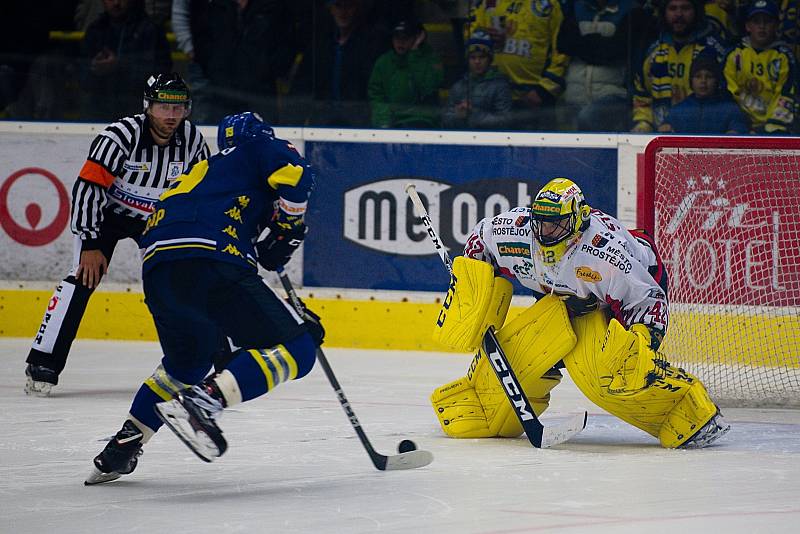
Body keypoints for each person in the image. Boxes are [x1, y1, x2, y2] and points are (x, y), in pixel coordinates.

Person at [85, 112, 323, 485]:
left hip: (159, 272)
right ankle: (205, 401)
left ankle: (124, 445)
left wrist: (270, 245)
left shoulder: (207, 174)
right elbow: (298, 174)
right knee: (301, 351)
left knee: (186, 366)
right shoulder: (259, 150)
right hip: (210, 261)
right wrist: (288, 230)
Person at [430, 178, 730, 448]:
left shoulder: (605, 254)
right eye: (540, 222)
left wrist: (641, 343)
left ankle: (689, 412)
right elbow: (481, 238)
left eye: (555, 224)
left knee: (608, 375)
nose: (544, 231)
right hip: (561, 298)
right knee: (518, 362)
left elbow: (647, 300)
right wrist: (472, 288)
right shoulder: (515, 230)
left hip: (614, 300)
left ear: (577, 220)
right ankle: (484, 410)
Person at [24, 73, 210, 397]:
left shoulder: (193, 141)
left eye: (178, 108)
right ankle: (43, 363)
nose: (171, 115)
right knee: (82, 278)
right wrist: (92, 243)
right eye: (163, 107)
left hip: (157, 220)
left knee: (178, 283)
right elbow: (87, 188)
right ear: (147, 106)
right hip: (106, 216)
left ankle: (189, 362)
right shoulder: (119, 136)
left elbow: (201, 194)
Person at [471, 0, 569, 129]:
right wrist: (484, 37)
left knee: (538, 147)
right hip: (494, 96)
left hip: (534, 98)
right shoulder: (486, 3)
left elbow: (563, 50)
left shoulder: (551, 5)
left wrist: (544, 90)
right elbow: (470, 37)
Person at [632, 0, 727, 132]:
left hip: (700, 136)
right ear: (664, 12)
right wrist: (643, 124)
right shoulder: (653, 52)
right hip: (660, 136)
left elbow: (723, 101)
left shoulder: (714, 51)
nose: (679, 14)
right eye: (672, 8)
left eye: (685, 8)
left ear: (697, 11)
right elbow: (642, 95)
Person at [556, 0, 648, 132]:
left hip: (614, 96)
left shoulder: (633, 12)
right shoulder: (573, 9)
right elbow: (563, 44)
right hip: (573, 95)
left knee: (588, 117)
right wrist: (601, 46)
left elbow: (617, 51)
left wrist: (580, 45)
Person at [80, 0, 172, 120]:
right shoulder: (95, 30)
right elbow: (81, 73)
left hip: (138, 109)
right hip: (100, 109)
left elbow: (159, 73)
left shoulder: (150, 29)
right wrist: (94, 68)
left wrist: (120, 65)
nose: (116, 3)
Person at [723, 0, 797, 134]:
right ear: (747, 26)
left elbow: (786, 95)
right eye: (756, 21)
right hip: (740, 126)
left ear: (776, 25)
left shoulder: (784, 56)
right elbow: (729, 93)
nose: (762, 26)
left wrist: (770, 127)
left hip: (775, 128)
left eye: (767, 21)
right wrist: (740, 124)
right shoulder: (734, 55)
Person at [368, 18, 444, 128]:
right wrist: (383, 121)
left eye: (405, 37)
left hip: (422, 121)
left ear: (417, 37)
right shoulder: (383, 62)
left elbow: (428, 87)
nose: (400, 42)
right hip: (392, 122)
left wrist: (414, 55)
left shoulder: (430, 59)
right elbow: (376, 95)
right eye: (397, 37)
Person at [660, 51, 749, 132]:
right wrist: (665, 128)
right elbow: (663, 130)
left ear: (716, 81)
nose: (703, 81)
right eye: (698, 76)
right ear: (691, 80)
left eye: (709, 76)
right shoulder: (679, 110)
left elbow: (740, 131)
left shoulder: (730, 110)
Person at [442, 30, 513, 130]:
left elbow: (505, 121)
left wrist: (474, 115)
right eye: (472, 57)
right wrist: (457, 116)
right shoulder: (458, 86)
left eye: (482, 57)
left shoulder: (500, 86)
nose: (477, 61)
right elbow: (445, 121)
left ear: (489, 59)